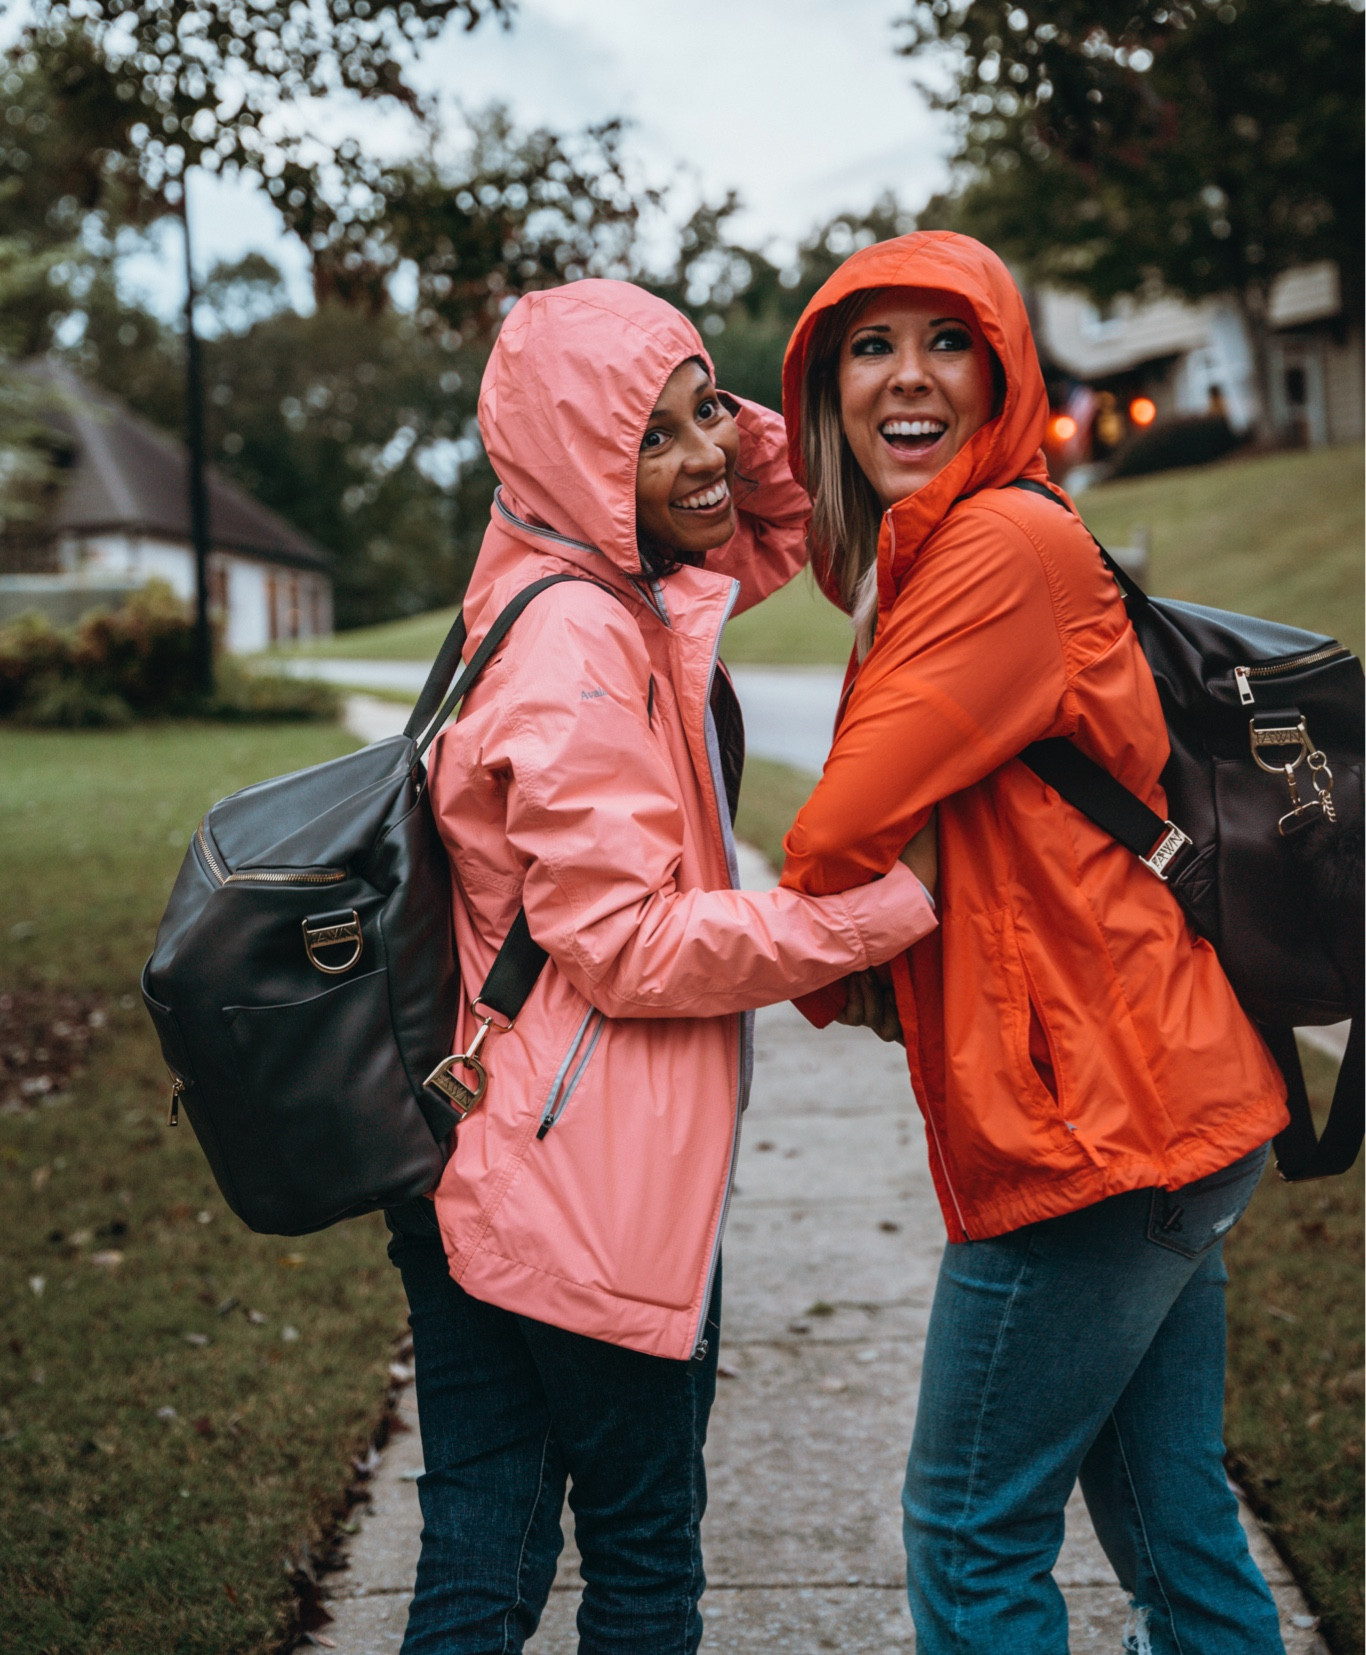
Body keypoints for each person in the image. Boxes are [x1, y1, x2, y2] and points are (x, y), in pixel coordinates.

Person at [383, 278, 939, 1655]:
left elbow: (799, 520)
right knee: (637, 1565)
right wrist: (884, 912)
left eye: (708, 410)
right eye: (651, 434)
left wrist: (688, 417)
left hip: (504, 1151)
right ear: (578, 461)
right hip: (584, 1176)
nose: (705, 457)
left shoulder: (565, 580)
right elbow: (627, 946)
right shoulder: (579, 639)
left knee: (484, 1547)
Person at [776, 232, 1292, 1655]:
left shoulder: (995, 548)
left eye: (946, 343)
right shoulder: (952, 547)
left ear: (1004, 372)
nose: (905, 378)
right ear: (823, 391)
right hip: (1167, 1101)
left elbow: (831, 841)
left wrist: (852, 965)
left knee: (969, 1532)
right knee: (1175, 1531)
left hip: (1093, 1134)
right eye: (864, 349)